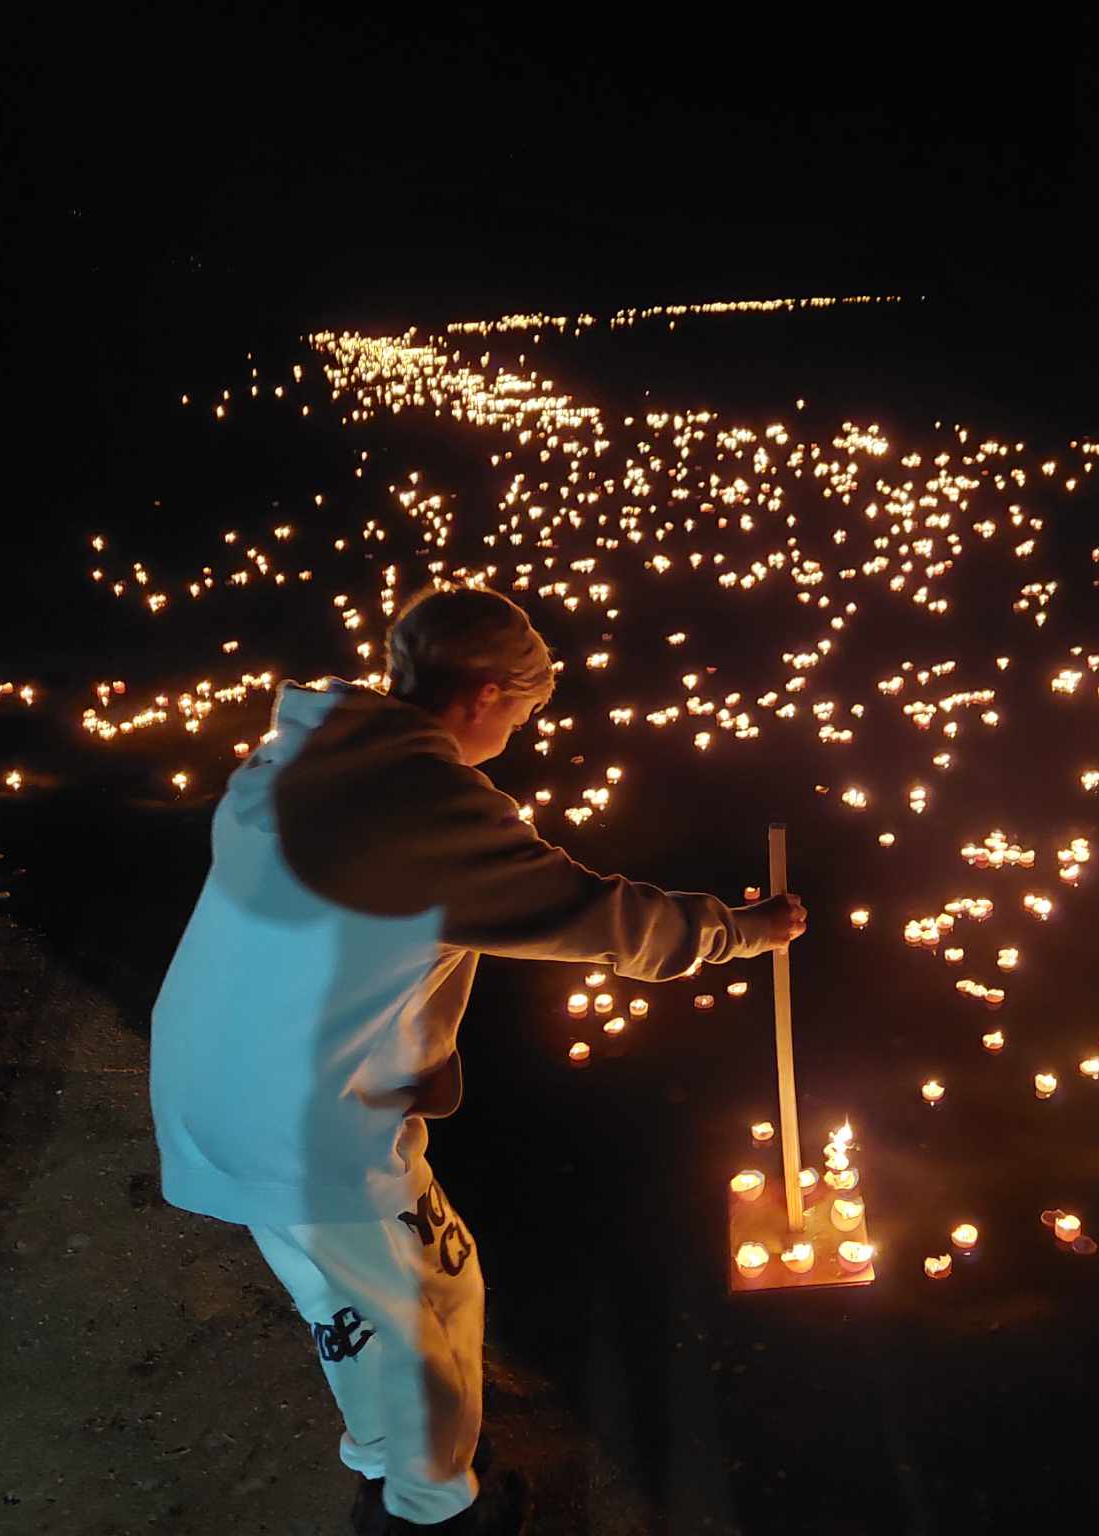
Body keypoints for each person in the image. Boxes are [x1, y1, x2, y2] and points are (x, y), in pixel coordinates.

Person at [149, 584, 805, 1534]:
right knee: (411, 1316)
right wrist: (741, 931)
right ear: (488, 692)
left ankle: (390, 1453)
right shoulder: (424, 809)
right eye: (526, 712)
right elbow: (597, 917)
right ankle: (432, 1510)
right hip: (300, 1121)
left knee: (385, 1288)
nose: (521, 731)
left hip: (233, 1082)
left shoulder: (302, 754)